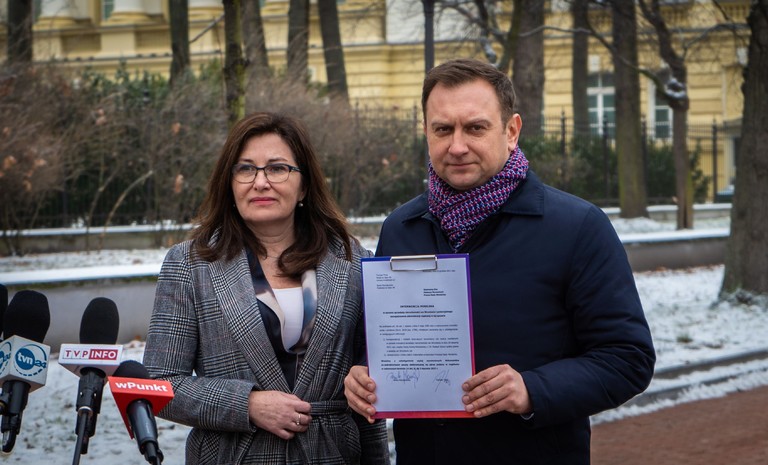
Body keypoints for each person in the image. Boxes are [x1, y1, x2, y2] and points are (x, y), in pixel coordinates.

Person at [344, 58, 655, 464]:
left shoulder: (577, 226)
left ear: (511, 131)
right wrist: (364, 373)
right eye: (443, 129)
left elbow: (628, 358)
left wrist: (531, 390)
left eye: (475, 128)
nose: (457, 146)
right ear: (426, 132)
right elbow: (386, 340)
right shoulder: (401, 228)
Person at [144, 112, 390, 465]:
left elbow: (368, 386)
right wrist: (246, 404)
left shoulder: (352, 261)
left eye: (277, 168)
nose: (260, 182)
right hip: (232, 455)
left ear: (304, 186)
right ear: (229, 183)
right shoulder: (191, 264)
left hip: (333, 454)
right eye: (246, 169)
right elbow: (159, 385)